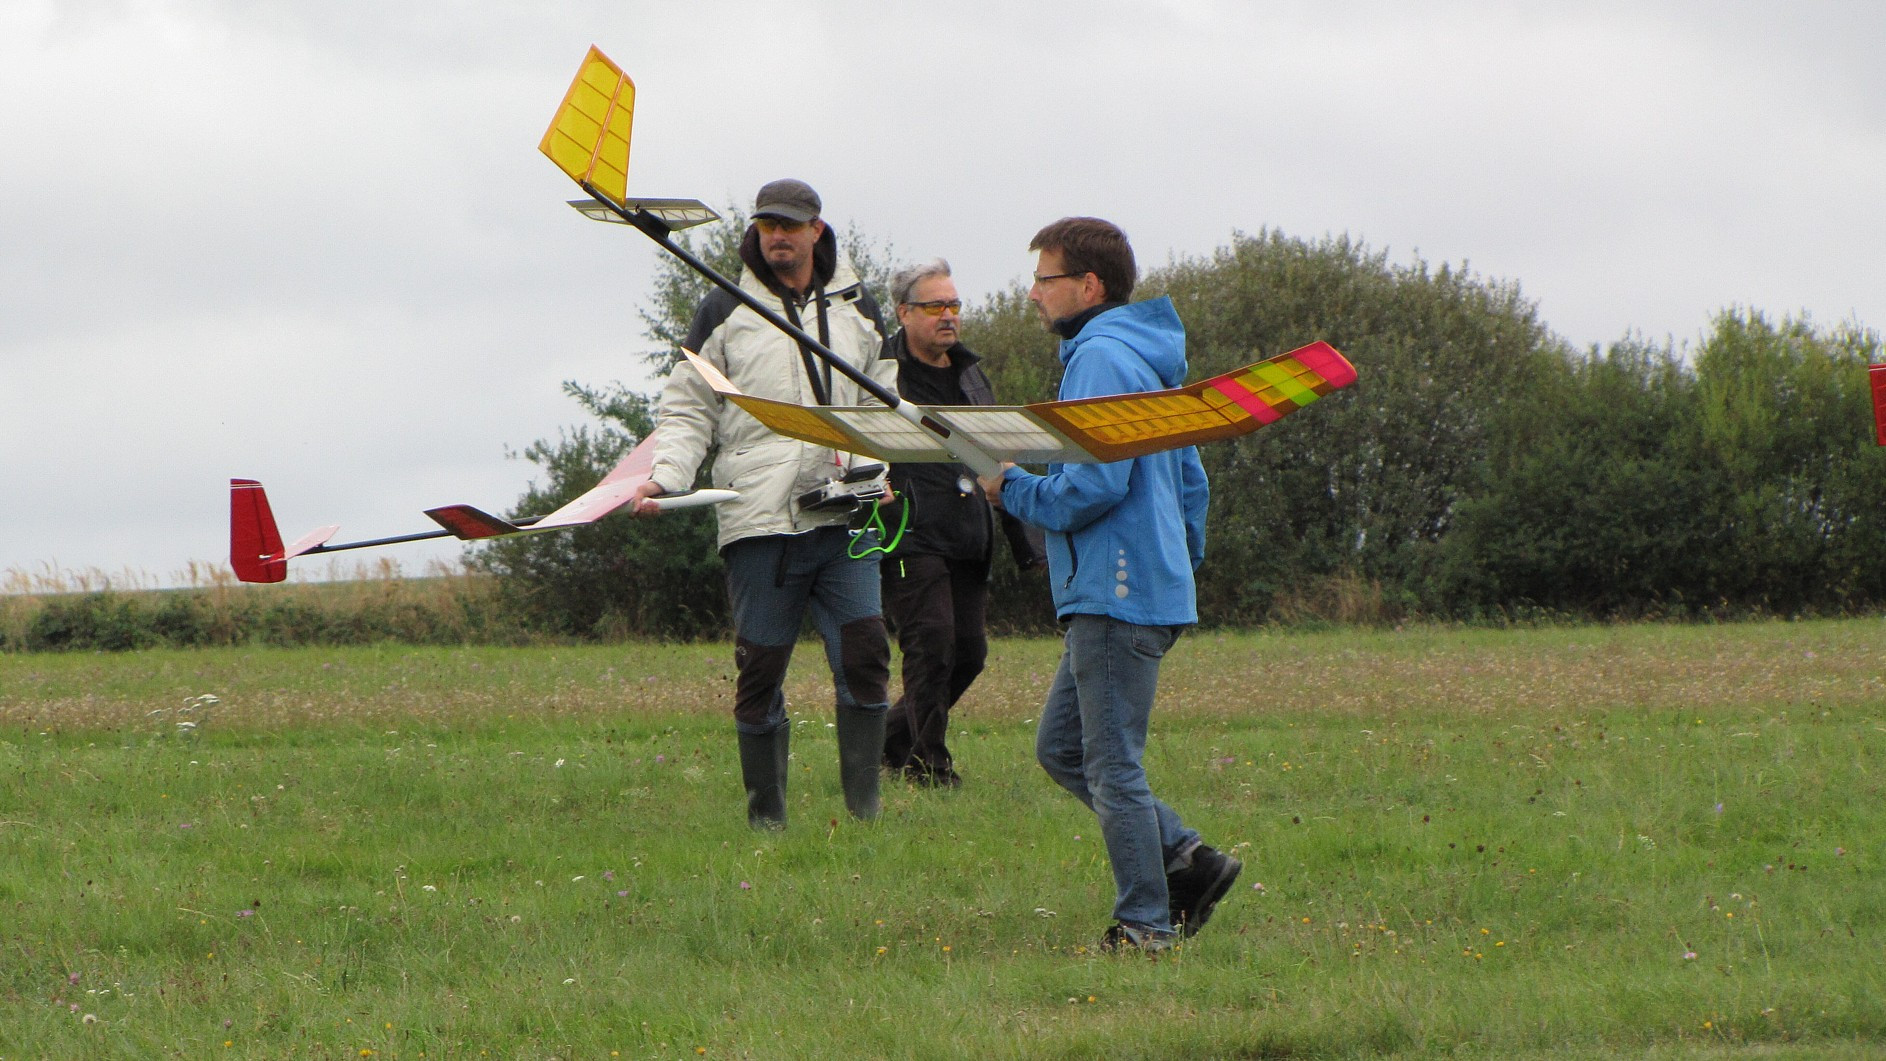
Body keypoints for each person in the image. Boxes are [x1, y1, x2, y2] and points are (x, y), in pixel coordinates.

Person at [979, 217, 1242, 953]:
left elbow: (1092, 487)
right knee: (1061, 748)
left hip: (1114, 592)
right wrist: (1175, 564)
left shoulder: (1098, 358)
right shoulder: (1148, 361)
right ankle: (1189, 859)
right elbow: (1191, 481)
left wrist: (1013, 489)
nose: (1033, 294)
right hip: (1144, 589)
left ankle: (1144, 925)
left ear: (1088, 286)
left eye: (1045, 279)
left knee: (1111, 764)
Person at [631, 178, 895, 829]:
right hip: (758, 517)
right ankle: (767, 824)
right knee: (760, 671)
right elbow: (688, 406)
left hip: (847, 513)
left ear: (816, 231)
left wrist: (880, 468)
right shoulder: (723, 305)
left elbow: (883, 401)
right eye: (767, 224)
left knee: (866, 659)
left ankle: (866, 816)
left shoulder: (858, 304)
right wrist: (665, 478)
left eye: (790, 225)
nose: (777, 236)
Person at [876, 259, 1046, 788]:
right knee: (931, 646)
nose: (948, 315)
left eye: (953, 305)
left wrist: (1027, 538)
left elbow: (997, 456)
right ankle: (929, 768)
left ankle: (885, 742)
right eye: (935, 306)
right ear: (903, 312)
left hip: (970, 533)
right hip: (910, 531)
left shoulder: (971, 374)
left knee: (969, 654)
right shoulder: (881, 372)